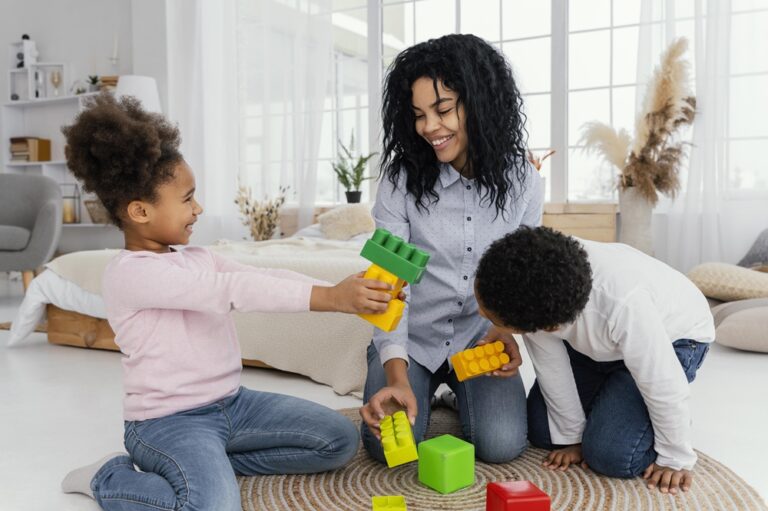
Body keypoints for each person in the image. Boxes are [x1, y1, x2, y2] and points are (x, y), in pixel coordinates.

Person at [59, 94, 398, 510]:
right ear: (140, 211)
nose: (198, 208)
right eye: (186, 199)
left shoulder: (197, 257)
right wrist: (329, 298)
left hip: (233, 405)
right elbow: (230, 291)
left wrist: (341, 288)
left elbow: (259, 277)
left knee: (338, 441)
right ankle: (107, 478)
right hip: (166, 424)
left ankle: (212, 467)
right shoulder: (130, 274)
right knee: (215, 507)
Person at [359, 33, 543, 464]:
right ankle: (420, 383)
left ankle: (458, 394)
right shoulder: (400, 181)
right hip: (412, 340)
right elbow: (386, 287)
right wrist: (396, 374)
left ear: (479, 102)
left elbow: (523, 275)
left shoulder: (523, 182)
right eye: (420, 115)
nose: (429, 128)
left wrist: (505, 330)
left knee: (502, 446)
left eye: (442, 110)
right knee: (388, 449)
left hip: (476, 339)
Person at [474, 226, 714, 495]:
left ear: (549, 326)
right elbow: (551, 365)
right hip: (600, 345)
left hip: (674, 339)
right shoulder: (535, 284)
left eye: (492, 318)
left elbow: (662, 383)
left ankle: (618, 391)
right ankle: (611, 390)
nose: (479, 312)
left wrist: (675, 457)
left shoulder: (624, 304)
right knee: (544, 431)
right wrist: (571, 438)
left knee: (611, 456)